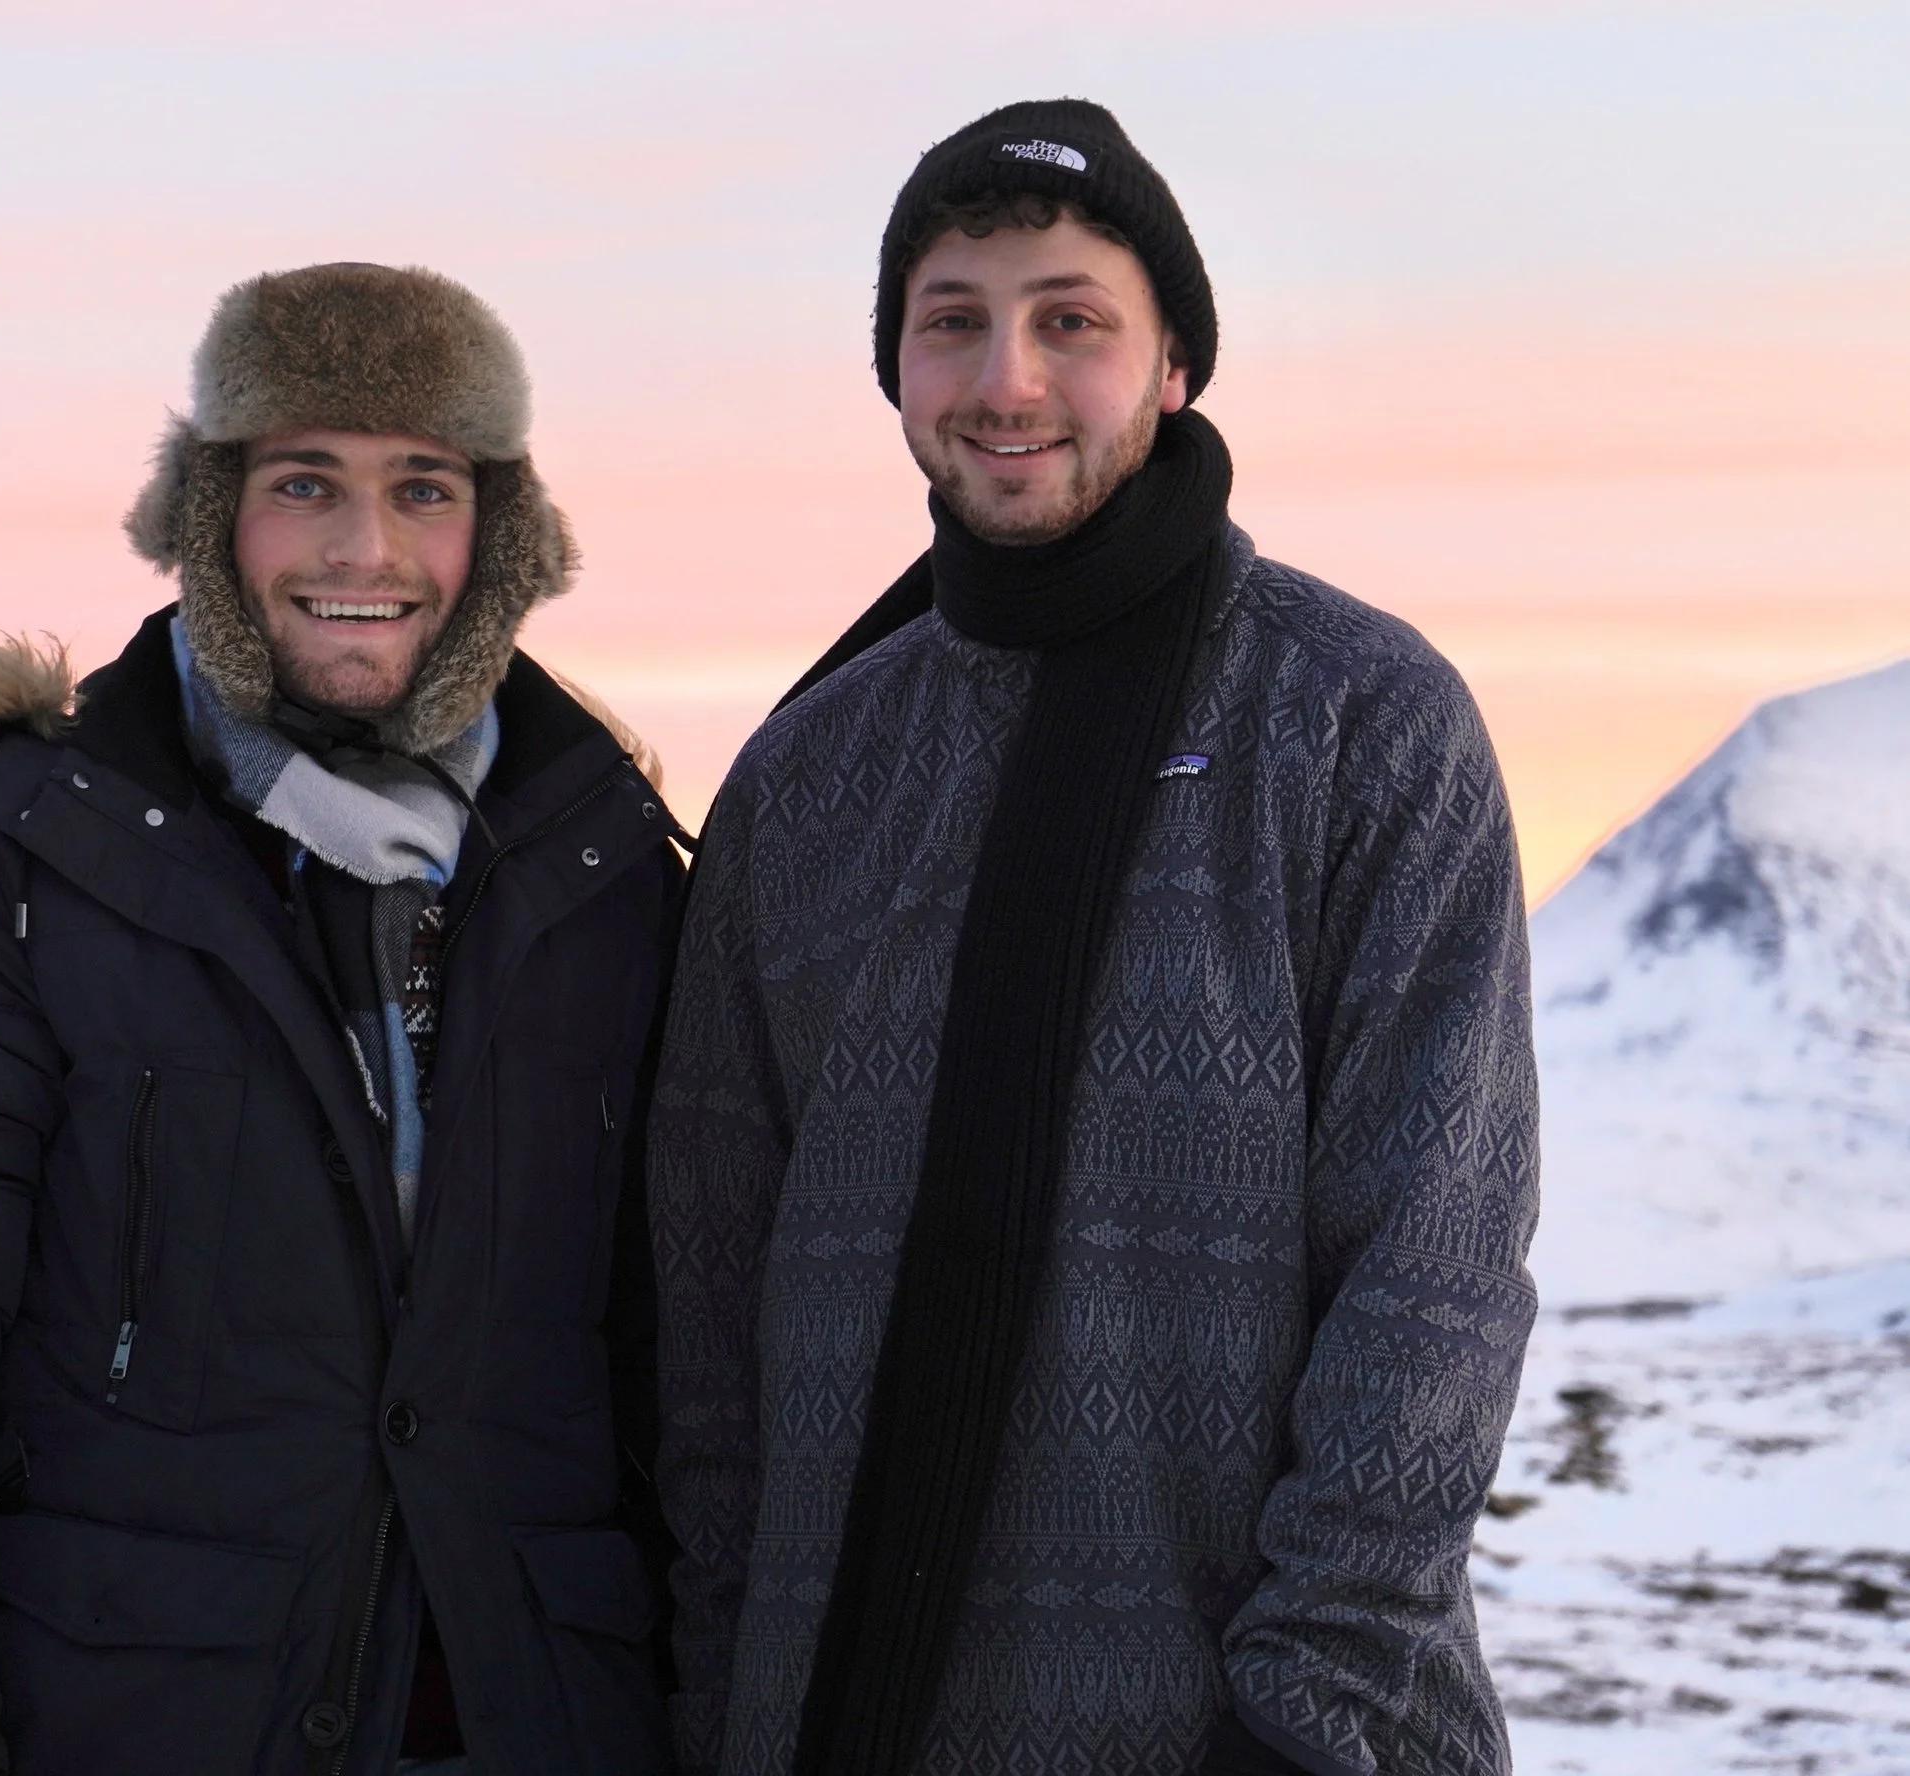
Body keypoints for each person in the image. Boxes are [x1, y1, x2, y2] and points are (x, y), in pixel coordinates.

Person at [649, 100, 1538, 1776]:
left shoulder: (1358, 721)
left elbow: (1435, 1269)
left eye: (1072, 320)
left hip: (1257, 1735)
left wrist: (1310, 1722)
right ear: (895, 372)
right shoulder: (805, 781)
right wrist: (714, 1708)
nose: (1008, 381)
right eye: (954, 322)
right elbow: (705, 1320)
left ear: (1175, 364)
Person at [0, 263, 682, 1776]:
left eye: (424, 487)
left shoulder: (604, 872)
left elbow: (682, 1353)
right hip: (134, 1714)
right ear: (212, 518)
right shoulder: (27, 864)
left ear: (498, 533)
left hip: (544, 1716)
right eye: (303, 483)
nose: (364, 548)